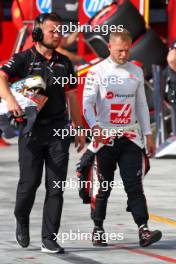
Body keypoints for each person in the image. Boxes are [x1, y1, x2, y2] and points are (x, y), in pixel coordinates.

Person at [0, 12, 85, 253]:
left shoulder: (65, 63)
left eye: (60, 31)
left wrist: (78, 128)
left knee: (56, 186)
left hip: (59, 130)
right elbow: (1, 77)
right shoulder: (24, 58)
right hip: (32, 130)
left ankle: (49, 237)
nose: (58, 35)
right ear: (38, 33)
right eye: (53, 31)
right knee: (29, 184)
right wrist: (10, 100)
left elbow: (72, 97)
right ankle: (22, 218)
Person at [83, 29, 162, 247]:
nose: (124, 55)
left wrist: (148, 134)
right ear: (109, 47)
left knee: (135, 186)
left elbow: (141, 105)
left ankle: (143, 230)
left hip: (130, 137)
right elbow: (87, 103)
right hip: (105, 138)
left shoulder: (136, 71)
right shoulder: (96, 71)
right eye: (119, 50)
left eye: (127, 50)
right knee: (103, 187)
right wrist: (95, 126)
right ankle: (98, 228)